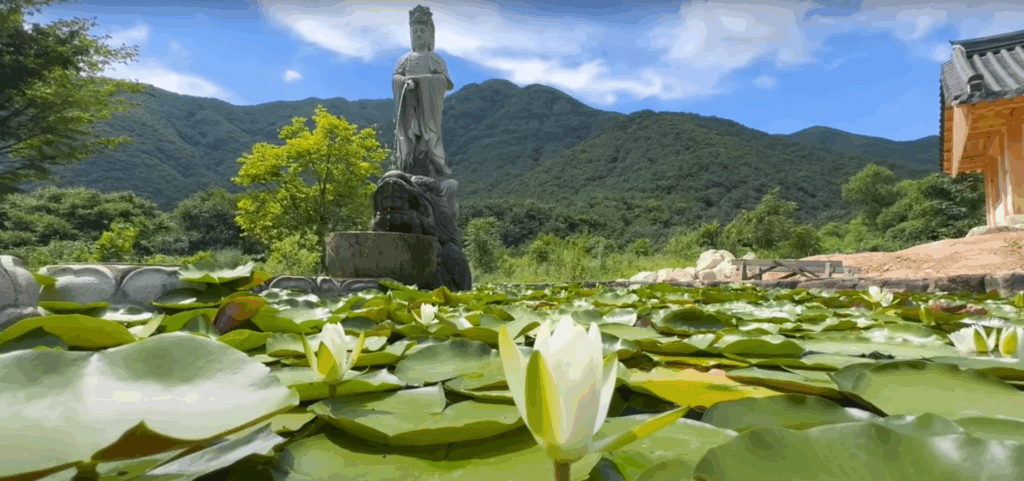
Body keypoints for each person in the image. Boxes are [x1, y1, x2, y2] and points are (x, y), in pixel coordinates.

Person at [391, 5, 454, 180]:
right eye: (414, 31)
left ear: (430, 35)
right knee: (408, 140)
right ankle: (406, 162)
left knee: (428, 141)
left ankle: (432, 164)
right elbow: (396, 78)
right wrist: (403, 82)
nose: (418, 34)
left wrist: (421, 82)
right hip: (409, 111)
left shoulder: (435, 59)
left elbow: (444, 82)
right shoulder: (404, 60)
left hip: (427, 112)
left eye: (422, 31)